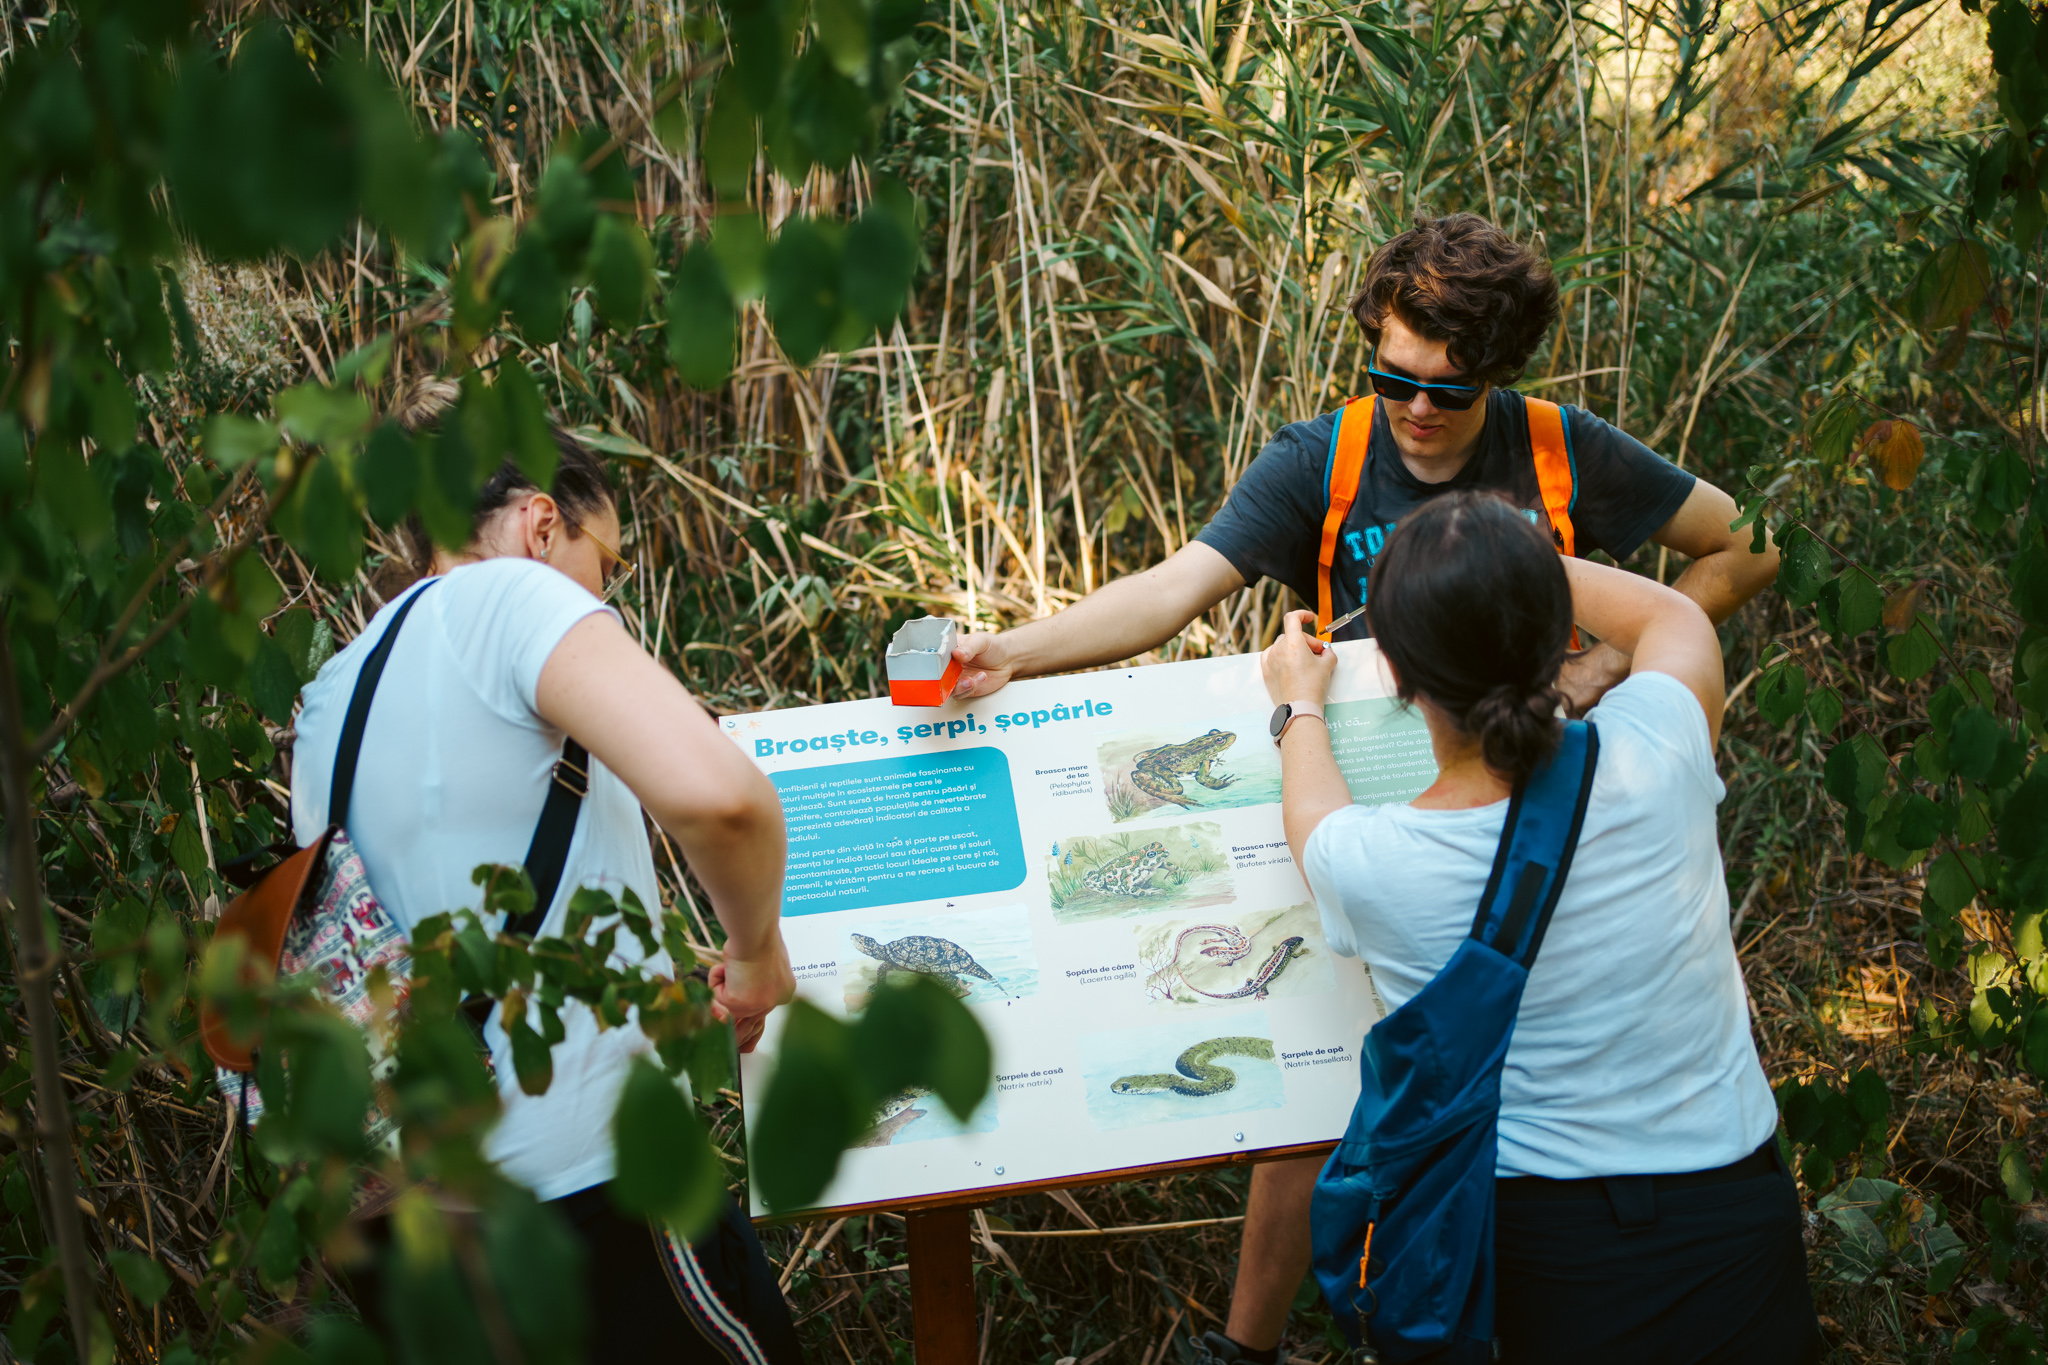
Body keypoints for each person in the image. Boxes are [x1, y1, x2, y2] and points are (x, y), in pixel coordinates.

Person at [948, 213, 1782, 1363]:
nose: (1420, 408)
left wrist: (1595, 663)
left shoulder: (1559, 447)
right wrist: (1016, 651)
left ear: (1500, 375)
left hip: (1520, 798)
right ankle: (1249, 1344)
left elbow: (1744, 542)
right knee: (1318, 1079)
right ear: (1368, 347)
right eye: (1395, 376)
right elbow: (1174, 586)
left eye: (1454, 387)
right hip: (1383, 805)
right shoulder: (1321, 459)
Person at [1259, 490, 1817, 1363]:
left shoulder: (1378, 866)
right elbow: (1670, 612)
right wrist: (1514, 569)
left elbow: (1312, 809)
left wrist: (1300, 698)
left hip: (1542, 1248)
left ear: (1399, 677)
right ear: (1556, 630)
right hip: (1734, 1211)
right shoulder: (1659, 749)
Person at [291, 423, 804, 1362]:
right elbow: (726, 802)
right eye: (604, 560)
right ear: (539, 526)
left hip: (412, 1229)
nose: (605, 596)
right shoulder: (512, 599)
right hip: (586, 1200)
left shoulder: (337, 689)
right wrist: (756, 949)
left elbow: (428, 922)